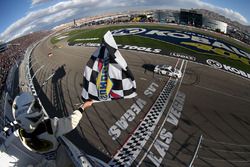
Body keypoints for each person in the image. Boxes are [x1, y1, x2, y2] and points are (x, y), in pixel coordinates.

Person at [12, 92, 93, 167]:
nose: (38, 106)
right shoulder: (49, 126)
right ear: (30, 116)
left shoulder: (21, 134)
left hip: (48, 159)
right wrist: (83, 107)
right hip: (61, 158)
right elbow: (71, 122)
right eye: (36, 106)